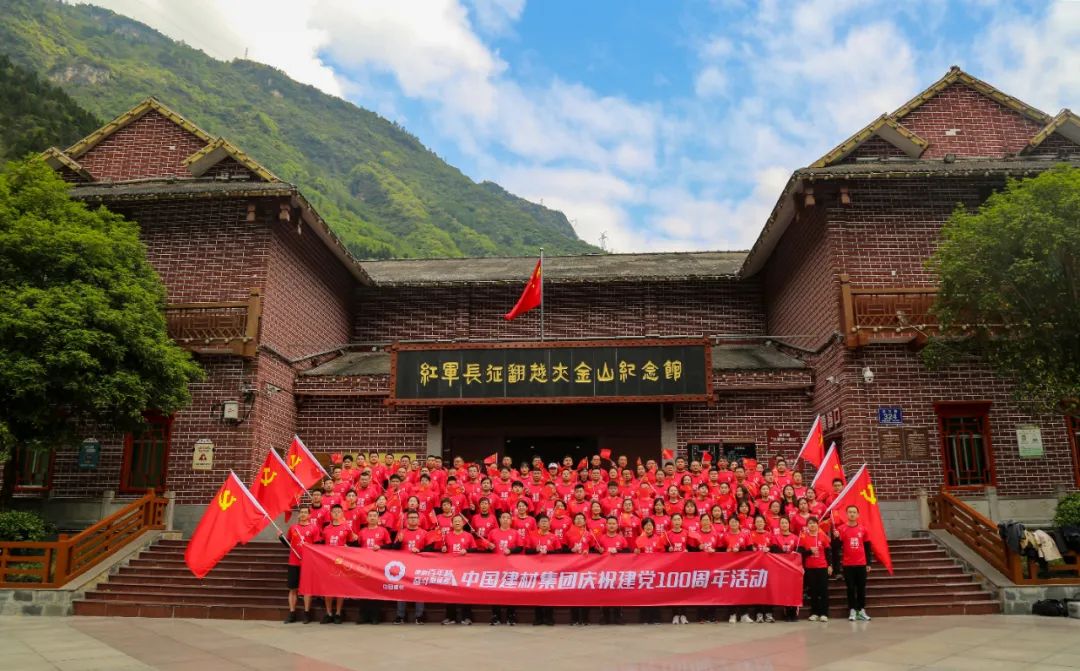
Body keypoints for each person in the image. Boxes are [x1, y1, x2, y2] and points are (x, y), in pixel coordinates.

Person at [318, 504, 357, 624]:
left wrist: (348, 546)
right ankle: (329, 613)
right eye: (334, 511)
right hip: (327, 562)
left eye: (338, 511)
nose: (336, 513)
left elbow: (353, 544)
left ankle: (338, 613)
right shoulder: (326, 529)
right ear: (330, 514)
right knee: (328, 589)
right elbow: (320, 544)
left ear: (342, 513)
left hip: (341, 562)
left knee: (340, 587)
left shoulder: (346, 528)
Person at [281, 504, 319, 624]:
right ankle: (292, 613)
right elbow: (289, 544)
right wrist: (281, 538)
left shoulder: (314, 528)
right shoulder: (293, 528)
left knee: (307, 589)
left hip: (307, 563)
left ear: (309, 515)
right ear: (299, 515)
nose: (303, 514)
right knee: (293, 589)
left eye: (305, 512)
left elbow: (317, 546)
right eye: (301, 512)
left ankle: (307, 614)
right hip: (293, 562)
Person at [392, 510, 428, 624]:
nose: (413, 519)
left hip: (419, 566)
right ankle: (400, 616)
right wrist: (399, 542)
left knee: (419, 590)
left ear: (418, 520)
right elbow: (393, 549)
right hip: (404, 566)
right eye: (411, 517)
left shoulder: (424, 533)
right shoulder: (401, 532)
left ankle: (419, 616)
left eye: (415, 517)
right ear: (407, 520)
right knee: (401, 590)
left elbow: (430, 549)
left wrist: (420, 550)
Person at [526, 514, 562, 626]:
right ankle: (538, 618)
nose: (544, 523)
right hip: (535, 569)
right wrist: (535, 550)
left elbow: (559, 552)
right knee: (536, 593)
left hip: (550, 569)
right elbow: (526, 551)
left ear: (549, 524)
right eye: (542, 521)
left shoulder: (553, 537)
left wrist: (549, 552)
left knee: (549, 593)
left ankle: (549, 618)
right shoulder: (532, 535)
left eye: (546, 521)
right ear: (538, 524)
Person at [441, 514, 477, 625]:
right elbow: (441, 549)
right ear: (452, 524)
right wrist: (443, 549)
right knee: (449, 593)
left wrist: (467, 551)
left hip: (465, 568)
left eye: (459, 521)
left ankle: (466, 617)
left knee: (466, 593)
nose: (457, 522)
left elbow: (475, 549)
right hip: (451, 568)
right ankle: (450, 617)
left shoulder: (468, 536)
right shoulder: (447, 536)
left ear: (463, 523)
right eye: (455, 521)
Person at [487, 511, 522, 625]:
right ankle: (495, 616)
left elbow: (520, 547)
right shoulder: (493, 532)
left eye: (508, 517)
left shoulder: (515, 533)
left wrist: (511, 550)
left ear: (511, 521)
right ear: (499, 520)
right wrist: (489, 546)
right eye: (503, 517)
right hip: (495, 566)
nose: (505, 519)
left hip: (510, 566)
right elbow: (487, 547)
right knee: (494, 591)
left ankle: (511, 616)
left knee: (510, 591)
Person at [839, 505, 872, 621]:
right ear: (846, 514)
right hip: (848, 564)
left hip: (861, 564)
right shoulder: (841, 529)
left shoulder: (863, 529)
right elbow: (836, 546)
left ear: (858, 515)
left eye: (854, 512)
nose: (852, 514)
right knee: (850, 588)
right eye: (850, 512)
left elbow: (867, 547)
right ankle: (852, 610)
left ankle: (861, 610)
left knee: (861, 588)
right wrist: (836, 537)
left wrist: (868, 563)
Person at [594, 516, 630, 624]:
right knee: (604, 594)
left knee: (618, 594)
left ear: (617, 525)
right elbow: (594, 553)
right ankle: (605, 617)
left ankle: (618, 617)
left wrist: (618, 551)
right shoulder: (601, 538)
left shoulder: (621, 538)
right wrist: (599, 551)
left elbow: (627, 552)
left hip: (618, 571)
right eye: (609, 523)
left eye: (613, 523)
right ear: (606, 525)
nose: (611, 525)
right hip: (604, 571)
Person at [799, 516, 832, 622]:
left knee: (823, 591)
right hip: (810, 568)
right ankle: (814, 613)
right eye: (810, 523)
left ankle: (824, 613)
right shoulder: (803, 537)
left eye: (814, 523)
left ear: (817, 525)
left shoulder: (822, 536)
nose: (812, 525)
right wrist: (810, 551)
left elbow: (828, 552)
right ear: (807, 526)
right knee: (813, 591)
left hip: (822, 567)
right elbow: (800, 553)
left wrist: (830, 565)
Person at [772, 516, 800, 622]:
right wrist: (785, 554)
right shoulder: (775, 537)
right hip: (782, 567)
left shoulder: (795, 538)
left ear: (789, 525)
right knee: (785, 590)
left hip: (794, 567)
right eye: (782, 523)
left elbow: (798, 552)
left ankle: (794, 612)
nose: (784, 525)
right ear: (779, 525)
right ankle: (787, 612)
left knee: (794, 589)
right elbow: (774, 550)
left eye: (786, 523)